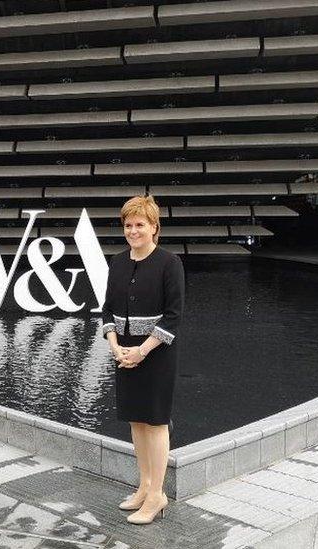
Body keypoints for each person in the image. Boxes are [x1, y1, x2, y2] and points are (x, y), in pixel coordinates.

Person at [101, 195, 184, 525]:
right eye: (128, 225)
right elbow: (107, 309)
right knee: (136, 421)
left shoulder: (169, 263)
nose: (133, 231)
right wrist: (114, 345)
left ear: (154, 228)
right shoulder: (118, 262)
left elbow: (174, 316)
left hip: (156, 355)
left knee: (156, 422)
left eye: (140, 225)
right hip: (124, 353)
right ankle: (144, 486)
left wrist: (142, 350)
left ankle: (157, 495)